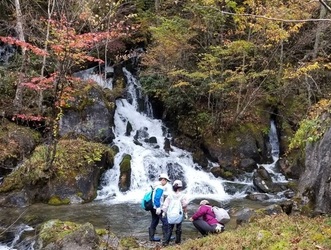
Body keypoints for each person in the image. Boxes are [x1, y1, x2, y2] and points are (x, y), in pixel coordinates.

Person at [162, 180, 188, 246]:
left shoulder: (170, 195)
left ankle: (166, 242)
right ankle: (178, 241)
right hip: (179, 214)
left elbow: (165, 205)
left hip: (170, 214)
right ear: (181, 187)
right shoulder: (182, 196)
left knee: (169, 228)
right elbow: (184, 205)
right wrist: (185, 213)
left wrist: (164, 212)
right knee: (179, 228)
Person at [148, 173, 170, 242]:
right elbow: (157, 198)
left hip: (152, 207)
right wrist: (158, 207)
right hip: (157, 208)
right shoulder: (160, 187)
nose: (166, 182)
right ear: (163, 180)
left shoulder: (156, 186)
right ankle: (166, 237)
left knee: (155, 221)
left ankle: (151, 238)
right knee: (165, 221)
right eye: (166, 181)